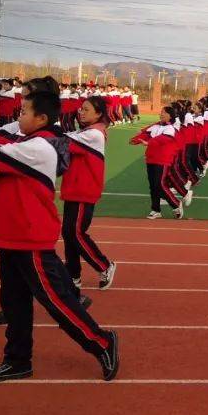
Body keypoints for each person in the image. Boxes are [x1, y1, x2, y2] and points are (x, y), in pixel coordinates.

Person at [0, 90, 119, 383]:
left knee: (56, 301)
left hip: (29, 236)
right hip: (13, 234)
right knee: (15, 300)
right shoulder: (31, 140)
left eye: (23, 112)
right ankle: (17, 360)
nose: (17, 117)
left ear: (41, 118)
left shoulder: (39, 147)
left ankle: (102, 341)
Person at [62, 95, 115, 299]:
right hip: (74, 188)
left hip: (84, 190)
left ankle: (104, 265)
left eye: (86, 109)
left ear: (99, 114)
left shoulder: (94, 134)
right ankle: (73, 275)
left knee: (75, 233)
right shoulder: (85, 131)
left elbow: (63, 141)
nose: (81, 112)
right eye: (81, 109)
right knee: (68, 232)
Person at [131, 106, 183, 219]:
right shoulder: (156, 126)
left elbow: (162, 140)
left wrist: (148, 142)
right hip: (151, 158)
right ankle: (156, 210)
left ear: (170, 115)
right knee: (153, 186)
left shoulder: (170, 128)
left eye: (164, 113)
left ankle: (176, 204)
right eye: (161, 112)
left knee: (159, 185)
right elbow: (146, 134)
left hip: (163, 159)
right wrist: (136, 139)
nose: (161, 114)